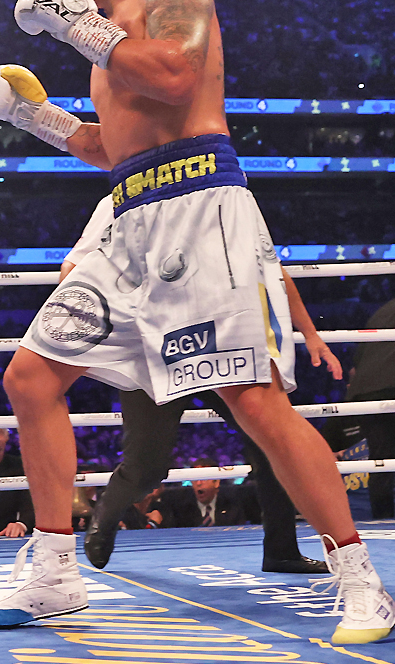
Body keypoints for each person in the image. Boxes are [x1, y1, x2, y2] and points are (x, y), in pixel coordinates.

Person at [0, 0, 392, 643]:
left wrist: (77, 25)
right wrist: (37, 118)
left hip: (200, 206)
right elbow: (113, 149)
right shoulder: (103, 43)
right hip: (128, 219)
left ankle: (360, 580)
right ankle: (55, 574)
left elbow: (174, 75)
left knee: (255, 402)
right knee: (30, 377)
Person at [65, 196, 331, 573]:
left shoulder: (223, 196)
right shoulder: (122, 200)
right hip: (154, 351)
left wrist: (311, 333)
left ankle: (282, 550)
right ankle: (104, 518)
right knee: (147, 467)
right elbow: (73, 270)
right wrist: (91, 342)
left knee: (271, 439)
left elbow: (270, 269)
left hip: (220, 344)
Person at [342, 298, 395, 519]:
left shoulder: (382, 310)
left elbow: (358, 357)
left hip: (365, 391)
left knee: (381, 458)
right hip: (387, 385)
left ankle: (382, 519)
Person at [156, 460, 248, 528]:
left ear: (216, 482)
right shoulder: (180, 509)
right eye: (195, 479)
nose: (199, 483)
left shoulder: (232, 505)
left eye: (204, 478)